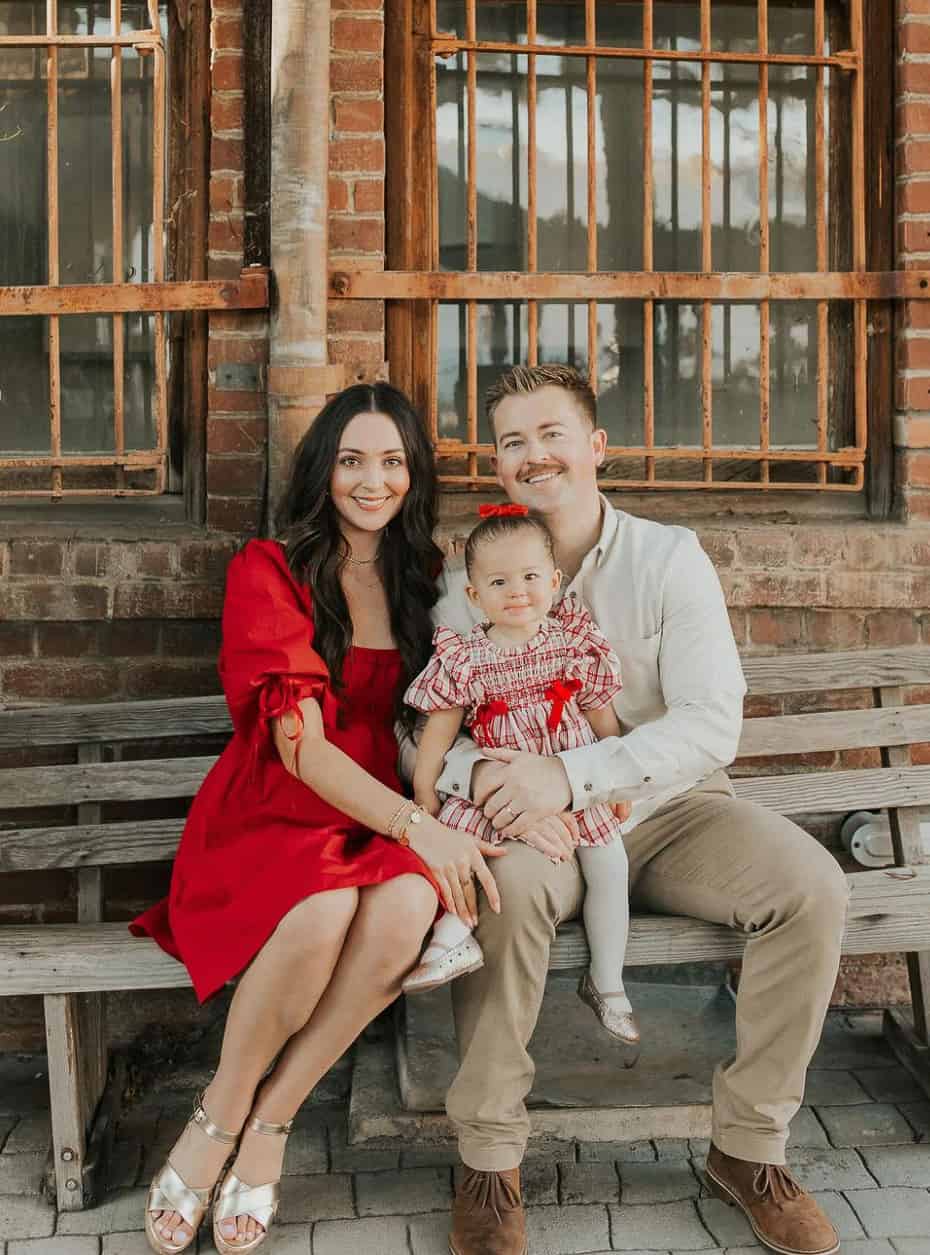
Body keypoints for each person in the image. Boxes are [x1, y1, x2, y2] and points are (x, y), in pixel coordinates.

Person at [421, 364, 849, 1255]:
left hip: (667, 809)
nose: (534, 455)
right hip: (527, 823)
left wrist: (571, 774)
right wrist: (481, 781)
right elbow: (423, 723)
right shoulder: (469, 574)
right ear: (497, 466)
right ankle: (490, 1160)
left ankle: (748, 1150)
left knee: (812, 887)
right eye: (512, 442)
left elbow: (710, 724)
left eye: (552, 434)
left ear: (595, 447)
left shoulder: (668, 557)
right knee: (509, 890)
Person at [130, 383, 505, 1255]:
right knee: (325, 909)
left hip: (384, 809)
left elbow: (475, 694)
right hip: (276, 809)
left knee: (410, 908)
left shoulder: (429, 579)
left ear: (414, 476)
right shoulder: (269, 568)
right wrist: (420, 830)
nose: (372, 481)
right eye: (351, 460)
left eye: (392, 462)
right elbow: (299, 750)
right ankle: (217, 1114)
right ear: (321, 470)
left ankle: (271, 1121)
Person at [401, 504, 640, 1054]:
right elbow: (439, 729)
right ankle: (450, 941)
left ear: (554, 583)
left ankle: (607, 979)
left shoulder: (572, 643)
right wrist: (425, 790)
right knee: (485, 859)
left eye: (531, 577)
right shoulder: (467, 657)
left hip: (571, 776)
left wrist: (616, 783)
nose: (517, 592)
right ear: (474, 596)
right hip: (503, 782)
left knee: (609, 865)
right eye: (499, 581)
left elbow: (602, 715)